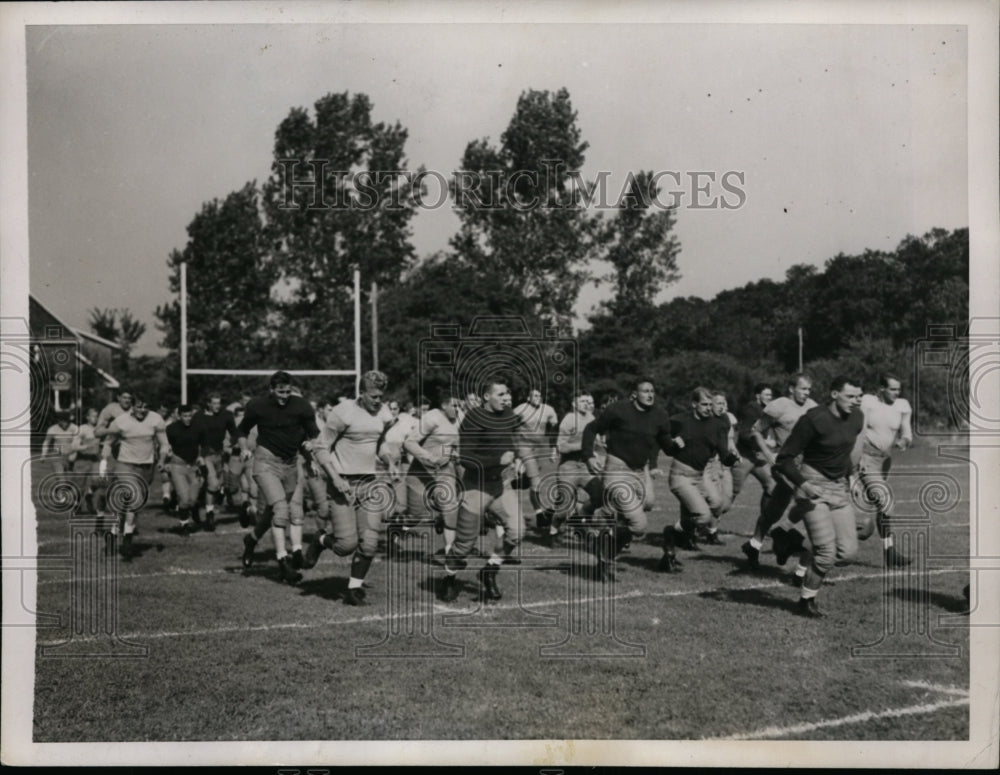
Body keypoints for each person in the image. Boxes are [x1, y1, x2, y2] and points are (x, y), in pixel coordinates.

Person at [776, 375, 869, 618]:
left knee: (847, 552)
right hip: (812, 484)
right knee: (826, 553)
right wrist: (803, 485)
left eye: (858, 396)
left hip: (838, 487)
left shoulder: (857, 417)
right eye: (850, 396)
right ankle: (806, 601)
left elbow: (843, 453)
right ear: (834, 394)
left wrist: (853, 477)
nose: (855, 401)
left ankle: (788, 539)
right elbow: (784, 459)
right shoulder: (813, 419)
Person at [236, 371, 337, 584]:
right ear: (271, 390)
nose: (284, 396)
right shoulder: (258, 405)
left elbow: (310, 436)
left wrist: (311, 457)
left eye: (287, 391)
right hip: (266, 462)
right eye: (280, 391)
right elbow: (242, 430)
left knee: (278, 510)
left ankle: (252, 539)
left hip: (291, 463)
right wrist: (244, 448)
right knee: (281, 509)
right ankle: (283, 563)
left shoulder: (300, 406)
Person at [303, 371, 392, 606]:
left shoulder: (384, 413)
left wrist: (390, 461)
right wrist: (335, 477)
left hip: (369, 482)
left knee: (370, 542)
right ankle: (320, 540)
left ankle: (353, 589)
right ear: (361, 393)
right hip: (343, 482)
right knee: (345, 545)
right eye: (373, 396)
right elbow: (321, 448)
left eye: (381, 396)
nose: (377, 401)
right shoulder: (343, 412)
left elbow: (379, 443)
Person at [582, 377, 682, 579]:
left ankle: (604, 553)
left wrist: (676, 444)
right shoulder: (618, 410)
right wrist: (589, 456)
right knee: (639, 524)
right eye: (645, 391)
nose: (650, 394)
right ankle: (601, 540)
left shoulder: (660, 415)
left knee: (644, 506)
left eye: (652, 391)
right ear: (635, 394)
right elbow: (591, 429)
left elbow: (666, 446)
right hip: (617, 469)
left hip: (639, 472)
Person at [438, 379, 522, 603]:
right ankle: (449, 577)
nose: (507, 398)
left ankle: (490, 571)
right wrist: (497, 459)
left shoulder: (508, 415)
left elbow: (510, 441)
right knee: (464, 544)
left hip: (500, 485)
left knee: (517, 530)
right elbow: (465, 458)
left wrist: (518, 457)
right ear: (487, 396)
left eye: (508, 394)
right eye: (501, 394)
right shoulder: (474, 418)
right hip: (476, 486)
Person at [741, 374, 818, 574]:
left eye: (809, 389)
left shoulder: (813, 407)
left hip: (807, 465)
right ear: (791, 388)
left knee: (774, 510)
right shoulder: (779, 405)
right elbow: (755, 431)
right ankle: (785, 540)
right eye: (803, 389)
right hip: (785, 465)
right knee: (808, 503)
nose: (806, 393)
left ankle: (755, 544)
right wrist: (768, 454)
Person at [95, 396, 170, 561]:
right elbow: (108, 443)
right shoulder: (121, 421)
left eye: (145, 407)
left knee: (131, 506)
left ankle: (118, 535)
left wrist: (162, 460)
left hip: (146, 467)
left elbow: (164, 443)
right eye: (138, 407)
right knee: (132, 498)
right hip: (125, 465)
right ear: (132, 407)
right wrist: (104, 463)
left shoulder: (156, 419)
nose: (142, 410)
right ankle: (126, 541)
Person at [667, 387, 740, 551]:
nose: (709, 408)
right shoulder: (679, 420)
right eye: (704, 404)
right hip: (680, 474)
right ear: (694, 404)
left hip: (700, 475)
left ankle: (681, 533)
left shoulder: (718, 425)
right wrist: (671, 442)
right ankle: (675, 532)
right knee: (703, 516)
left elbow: (724, 454)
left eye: (710, 405)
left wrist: (732, 459)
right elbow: (661, 435)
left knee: (717, 504)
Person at [857, 374, 914, 567]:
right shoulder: (868, 402)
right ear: (881, 388)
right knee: (884, 501)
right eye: (892, 389)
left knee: (880, 504)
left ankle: (887, 550)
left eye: (898, 389)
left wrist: (905, 440)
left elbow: (906, 430)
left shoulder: (902, 405)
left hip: (884, 461)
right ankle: (887, 550)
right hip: (865, 457)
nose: (896, 393)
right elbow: (858, 429)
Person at [402, 391, 462, 552]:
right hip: (421, 472)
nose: (458, 409)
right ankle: (396, 527)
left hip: (444, 471)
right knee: (416, 515)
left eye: (459, 405)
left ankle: (450, 553)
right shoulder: (432, 418)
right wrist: (429, 457)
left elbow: (453, 445)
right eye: (454, 405)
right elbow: (409, 443)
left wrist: (456, 455)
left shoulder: (458, 419)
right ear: (444, 405)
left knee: (450, 509)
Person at [548, 391, 603, 544]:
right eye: (582, 401)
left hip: (586, 467)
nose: (586, 403)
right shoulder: (569, 420)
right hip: (569, 467)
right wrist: (584, 446)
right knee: (564, 509)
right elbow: (562, 447)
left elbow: (597, 442)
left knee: (600, 496)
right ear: (574, 404)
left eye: (588, 401)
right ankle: (553, 529)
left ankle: (580, 517)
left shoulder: (592, 419)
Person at [513, 388, 560, 532]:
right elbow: (510, 429)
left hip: (539, 447)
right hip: (524, 445)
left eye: (539, 395)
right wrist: (516, 456)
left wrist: (553, 449)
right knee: (536, 481)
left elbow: (555, 429)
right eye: (534, 395)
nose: (537, 398)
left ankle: (537, 512)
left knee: (535, 481)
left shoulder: (548, 410)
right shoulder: (520, 409)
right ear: (528, 397)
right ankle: (540, 515)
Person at [731, 383, 777, 514]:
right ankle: (709, 527)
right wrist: (765, 442)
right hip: (744, 457)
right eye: (767, 394)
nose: (770, 397)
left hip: (757, 457)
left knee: (772, 486)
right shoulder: (751, 410)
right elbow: (744, 435)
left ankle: (764, 524)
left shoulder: (766, 410)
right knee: (730, 494)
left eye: (771, 395)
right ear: (758, 396)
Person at [196, 392, 239, 531]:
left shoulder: (226, 415)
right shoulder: (199, 416)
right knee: (213, 484)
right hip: (205, 454)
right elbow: (193, 435)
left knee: (219, 484)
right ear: (208, 403)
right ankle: (209, 515)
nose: (217, 406)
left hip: (220, 454)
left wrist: (231, 445)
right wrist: (198, 456)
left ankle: (199, 502)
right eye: (214, 403)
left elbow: (234, 433)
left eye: (218, 403)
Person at [165, 404, 209, 534]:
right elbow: (163, 445)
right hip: (177, 465)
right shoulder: (171, 429)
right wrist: (166, 459)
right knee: (184, 499)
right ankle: (184, 525)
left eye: (190, 415)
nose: (188, 418)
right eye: (185, 416)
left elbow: (205, 444)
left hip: (193, 466)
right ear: (179, 416)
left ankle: (191, 509)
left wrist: (202, 456)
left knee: (193, 499)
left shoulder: (199, 427)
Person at [69, 407, 105, 520]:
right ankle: (77, 505)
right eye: (93, 415)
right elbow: (74, 446)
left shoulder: (101, 429)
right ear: (87, 417)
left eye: (97, 416)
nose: (96, 418)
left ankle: (90, 494)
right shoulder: (82, 429)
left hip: (95, 460)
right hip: (82, 460)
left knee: (98, 481)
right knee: (79, 487)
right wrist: (87, 446)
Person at [42, 411, 78, 476]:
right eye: (61, 420)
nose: (64, 423)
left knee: (70, 480)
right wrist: (43, 454)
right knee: (61, 479)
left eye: (66, 421)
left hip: (70, 455)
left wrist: (74, 453)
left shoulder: (74, 428)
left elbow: (76, 442)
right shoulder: (52, 429)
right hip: (57, 455)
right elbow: (46, 442)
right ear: (58, 420)